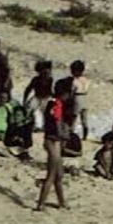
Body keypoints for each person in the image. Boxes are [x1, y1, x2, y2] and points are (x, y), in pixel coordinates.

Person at [35, 77, 72, 211]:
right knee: (52, 175)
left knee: (58, 175)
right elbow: (56, 124)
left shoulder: (54, 103)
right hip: (52, 140)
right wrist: (66, 135)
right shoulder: (55, 104)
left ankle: (61, 202)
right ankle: (41, 204)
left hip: (53, 140)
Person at [68, 60, 90, 142]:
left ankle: (71, 132)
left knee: (74, 117)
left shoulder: (74, 80)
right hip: (84, 98)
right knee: (84, 119)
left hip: (77, 98)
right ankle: (85, 136)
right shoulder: (86, 80)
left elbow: (72, 91)